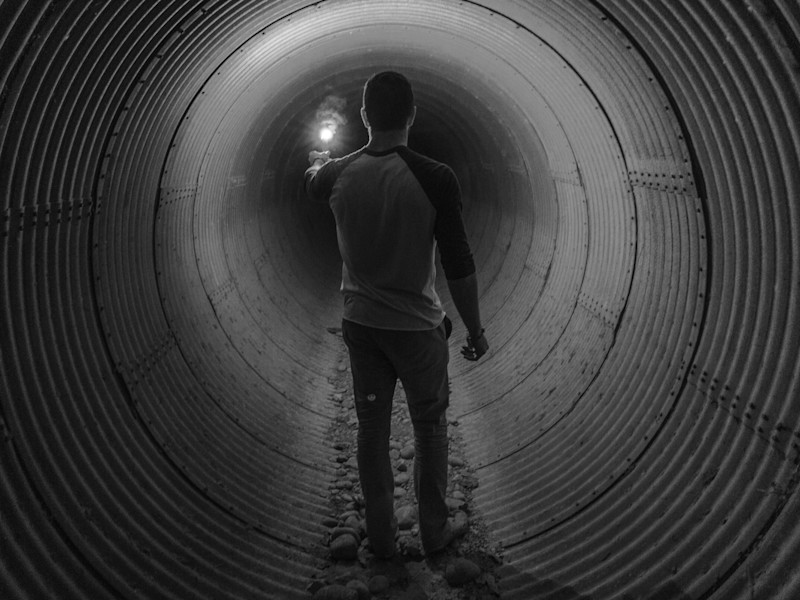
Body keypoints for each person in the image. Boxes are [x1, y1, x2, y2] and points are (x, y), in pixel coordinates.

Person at [304, 71, 489, 559]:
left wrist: (317, 162)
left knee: (372, 430)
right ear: (413, 115)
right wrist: (475, 329)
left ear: (365, 116)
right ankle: (433, 532)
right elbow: (459, 262)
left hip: (363, 327)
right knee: (429, 428)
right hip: (417, 330)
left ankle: (382, 540)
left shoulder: (337, 174)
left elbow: (313, 182)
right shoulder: (435, 177)